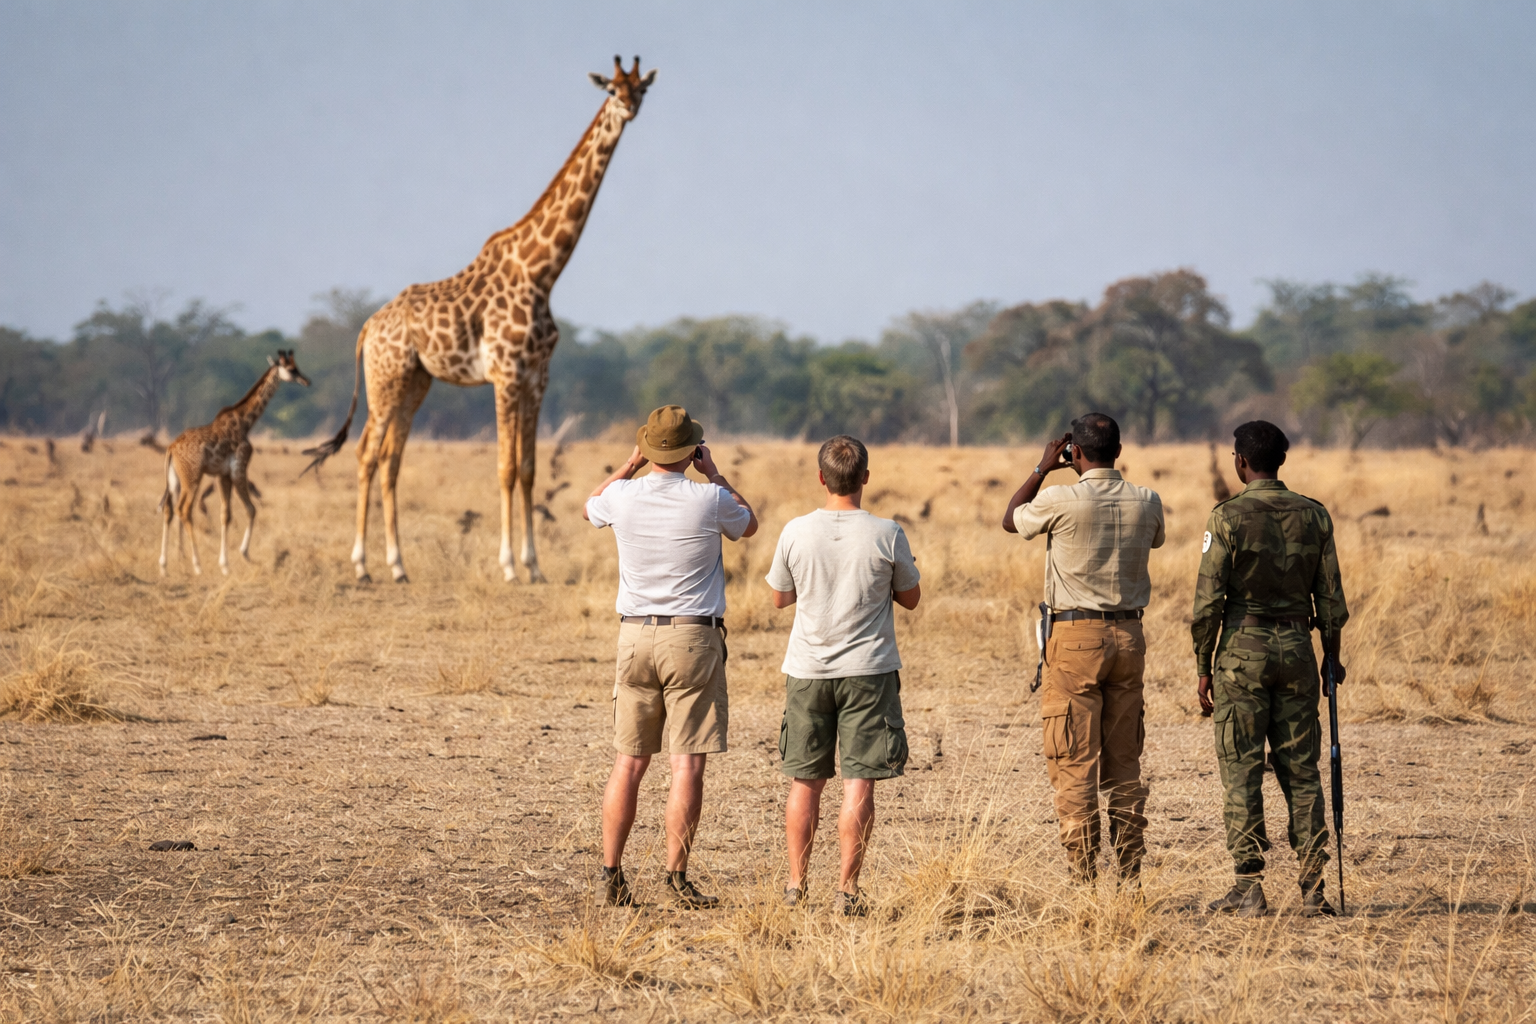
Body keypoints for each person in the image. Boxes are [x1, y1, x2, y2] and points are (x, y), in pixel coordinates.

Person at [583, 405, 758, 908]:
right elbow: (748, 526)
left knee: (629, 762)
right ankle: (675, 877)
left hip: (634, 637)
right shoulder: (710, 498)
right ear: (691, 451)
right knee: (687, 766)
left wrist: (627, 465)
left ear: (647, 448)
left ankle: (610, 873)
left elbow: (589, 506)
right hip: (693, 639)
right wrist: (717, 474)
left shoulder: (621, 495)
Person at [1192, 420, 1349, 918]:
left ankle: (1249, 886)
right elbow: (1331, 600)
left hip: (1241, 651)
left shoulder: (1227, 517)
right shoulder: (1315, 515)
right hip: (1299, 650)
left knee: (1240, 768)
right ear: (1281, 460)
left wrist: (1203, 666)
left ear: (1241, 462)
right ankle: (1313, 887)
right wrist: (1331, 657)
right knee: (1301, 770)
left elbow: (1207, 605)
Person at [1001, 413, 1165, 889]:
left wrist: (1040, 468)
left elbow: (1011, 520)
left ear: (1074, 452)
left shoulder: (1058, 498)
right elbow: (1155, 538)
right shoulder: (1147, 500)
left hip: (1074, 640)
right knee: (1123, 762)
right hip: (1129, 638)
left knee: (1074, 761)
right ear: (1119, 449)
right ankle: (1131, 873)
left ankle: (1084, 876)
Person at [767, 435, 921, 916]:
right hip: (869, 672)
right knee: (859, 784)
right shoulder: (887, 532)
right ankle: (847, 890)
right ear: (866, 479)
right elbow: (911, 598)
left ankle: (796, 883)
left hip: (808, 670)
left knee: (805, 782)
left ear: (821, 478)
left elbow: (779, 599)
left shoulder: (795, 530)